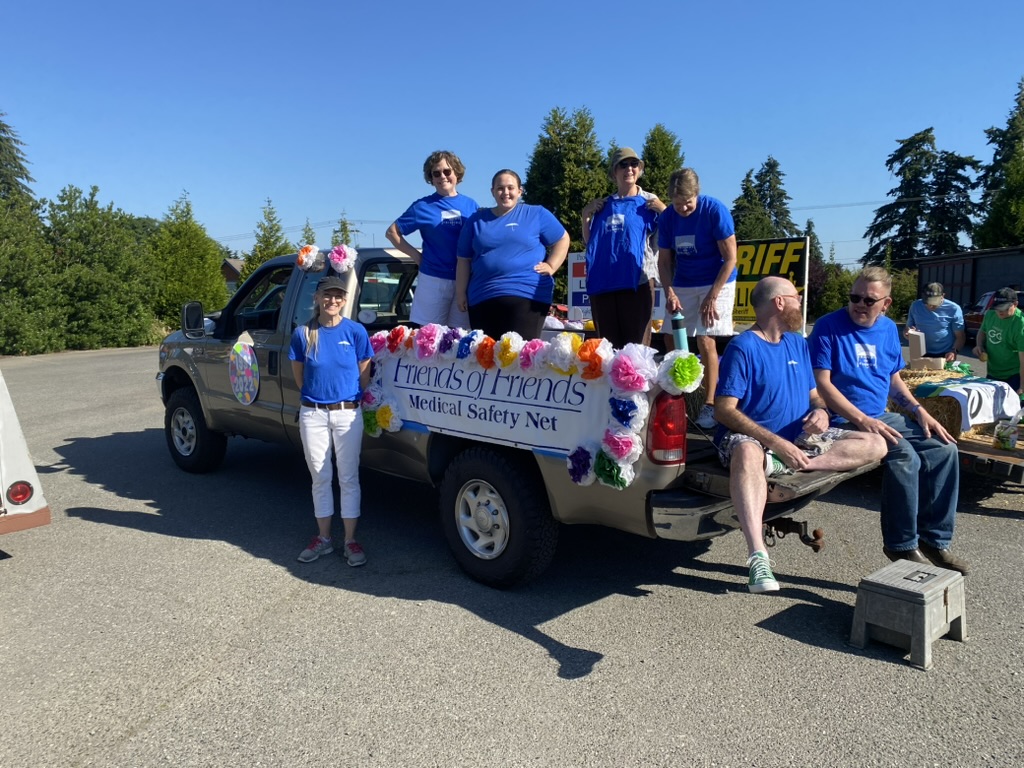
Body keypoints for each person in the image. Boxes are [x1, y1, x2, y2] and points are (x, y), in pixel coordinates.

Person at [714, 277, 887, 593]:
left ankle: (799, 465)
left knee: (875, 443)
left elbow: (815, 395)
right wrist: (775, 441)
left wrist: (821, 411)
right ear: (779, 303)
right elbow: (724, 410)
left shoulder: (797, 343)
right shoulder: (743, 347)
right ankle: (758, 558)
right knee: (748, 452)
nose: (800, 304)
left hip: (797, 441)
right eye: (796, 298)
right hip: (752, 440)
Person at [809, 266, 969, 574]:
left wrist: (919, 410)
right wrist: (862, 420)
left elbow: (894, 379)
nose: (859, 304)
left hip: (880, 417)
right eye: (854, 297)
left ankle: (934, 540)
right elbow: (823, 384)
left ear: (887, 303)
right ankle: (901, 545)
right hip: (842, 420)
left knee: (944, 448)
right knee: (904, 455)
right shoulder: (828, 327)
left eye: (869, 300)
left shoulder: (887, 331)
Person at [289, 274, 373, 567]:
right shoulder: (303, 333)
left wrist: (354, 397)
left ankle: (350, 540)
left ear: (345, 299)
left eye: (338, 295)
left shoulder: (355, 331)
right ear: (317, 298)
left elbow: (364, 368)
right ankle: (324, 539)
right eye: (327, 295)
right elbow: (299, 375)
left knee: (349, 476)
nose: (333, 300)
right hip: (313, 413)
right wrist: (317, 399)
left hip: (348, 412)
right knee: (320, 477)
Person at [657, 168, 737, 430]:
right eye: (677, 203)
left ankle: (710, 404)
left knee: (705, 337)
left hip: (718, 279)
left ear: (697, 195)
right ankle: (681, 393)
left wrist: (712, 296)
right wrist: (669, 290)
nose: (683, 208)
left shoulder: (715, 210)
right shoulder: (668, 217)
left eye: (688, 203)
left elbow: (731, 258)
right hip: (685, 280)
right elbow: (665, 261)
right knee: (670, 334)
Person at [455, 169, 570, 340]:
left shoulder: (535, 213)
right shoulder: (476, 220)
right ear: (492, 191)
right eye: (500, 188)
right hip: (482, 298)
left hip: (527, 294)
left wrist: (552, 265)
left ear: (519, 191)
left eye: (510, 187)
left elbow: (562, 239)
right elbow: (463, 259)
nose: (505, 193)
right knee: (486, 359)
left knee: (521, 359)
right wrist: (460, 293)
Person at [580, 147, 666, 348]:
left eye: (634, 164)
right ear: (614, 172)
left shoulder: (649, 202)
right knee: (607, 348)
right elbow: (590, 242)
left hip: (638, 281)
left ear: (640, 169)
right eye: (623, 165)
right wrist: (585, 216)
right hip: (604, 282)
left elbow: (665, 240)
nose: (629, 169)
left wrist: (664, 212)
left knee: (636, 348)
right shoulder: (602, 206)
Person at [386, 150, 479, 328]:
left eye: (447, 171)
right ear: (431, 178)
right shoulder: (422, 206)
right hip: (433, 279)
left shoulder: (471, 205)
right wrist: (416, 256)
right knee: (428, 336)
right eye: (436, 173)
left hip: (464, 279)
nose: (442, 176)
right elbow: (392, 232)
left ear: (457, 173)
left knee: (459, 338)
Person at [973, 287, 1024, 394]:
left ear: (1015, 304)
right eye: (997, 308)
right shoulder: (990, 314)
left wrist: (1022, 387)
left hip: (1014, 376)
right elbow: (982, 332)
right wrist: (979, 346)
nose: (1000, 311)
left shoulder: (1020, 325)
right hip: (992, 373)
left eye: (1004, 308)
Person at [905, 282, 965, 361]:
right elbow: (907, 330)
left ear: (942, 296)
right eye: (927, 303)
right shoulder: (916, 306)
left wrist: (954, 351)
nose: (930, 306)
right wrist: (908, 334)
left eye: (934, 303)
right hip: (920, 354)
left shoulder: (954, 308)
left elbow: (960, 336)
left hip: (945, 354)